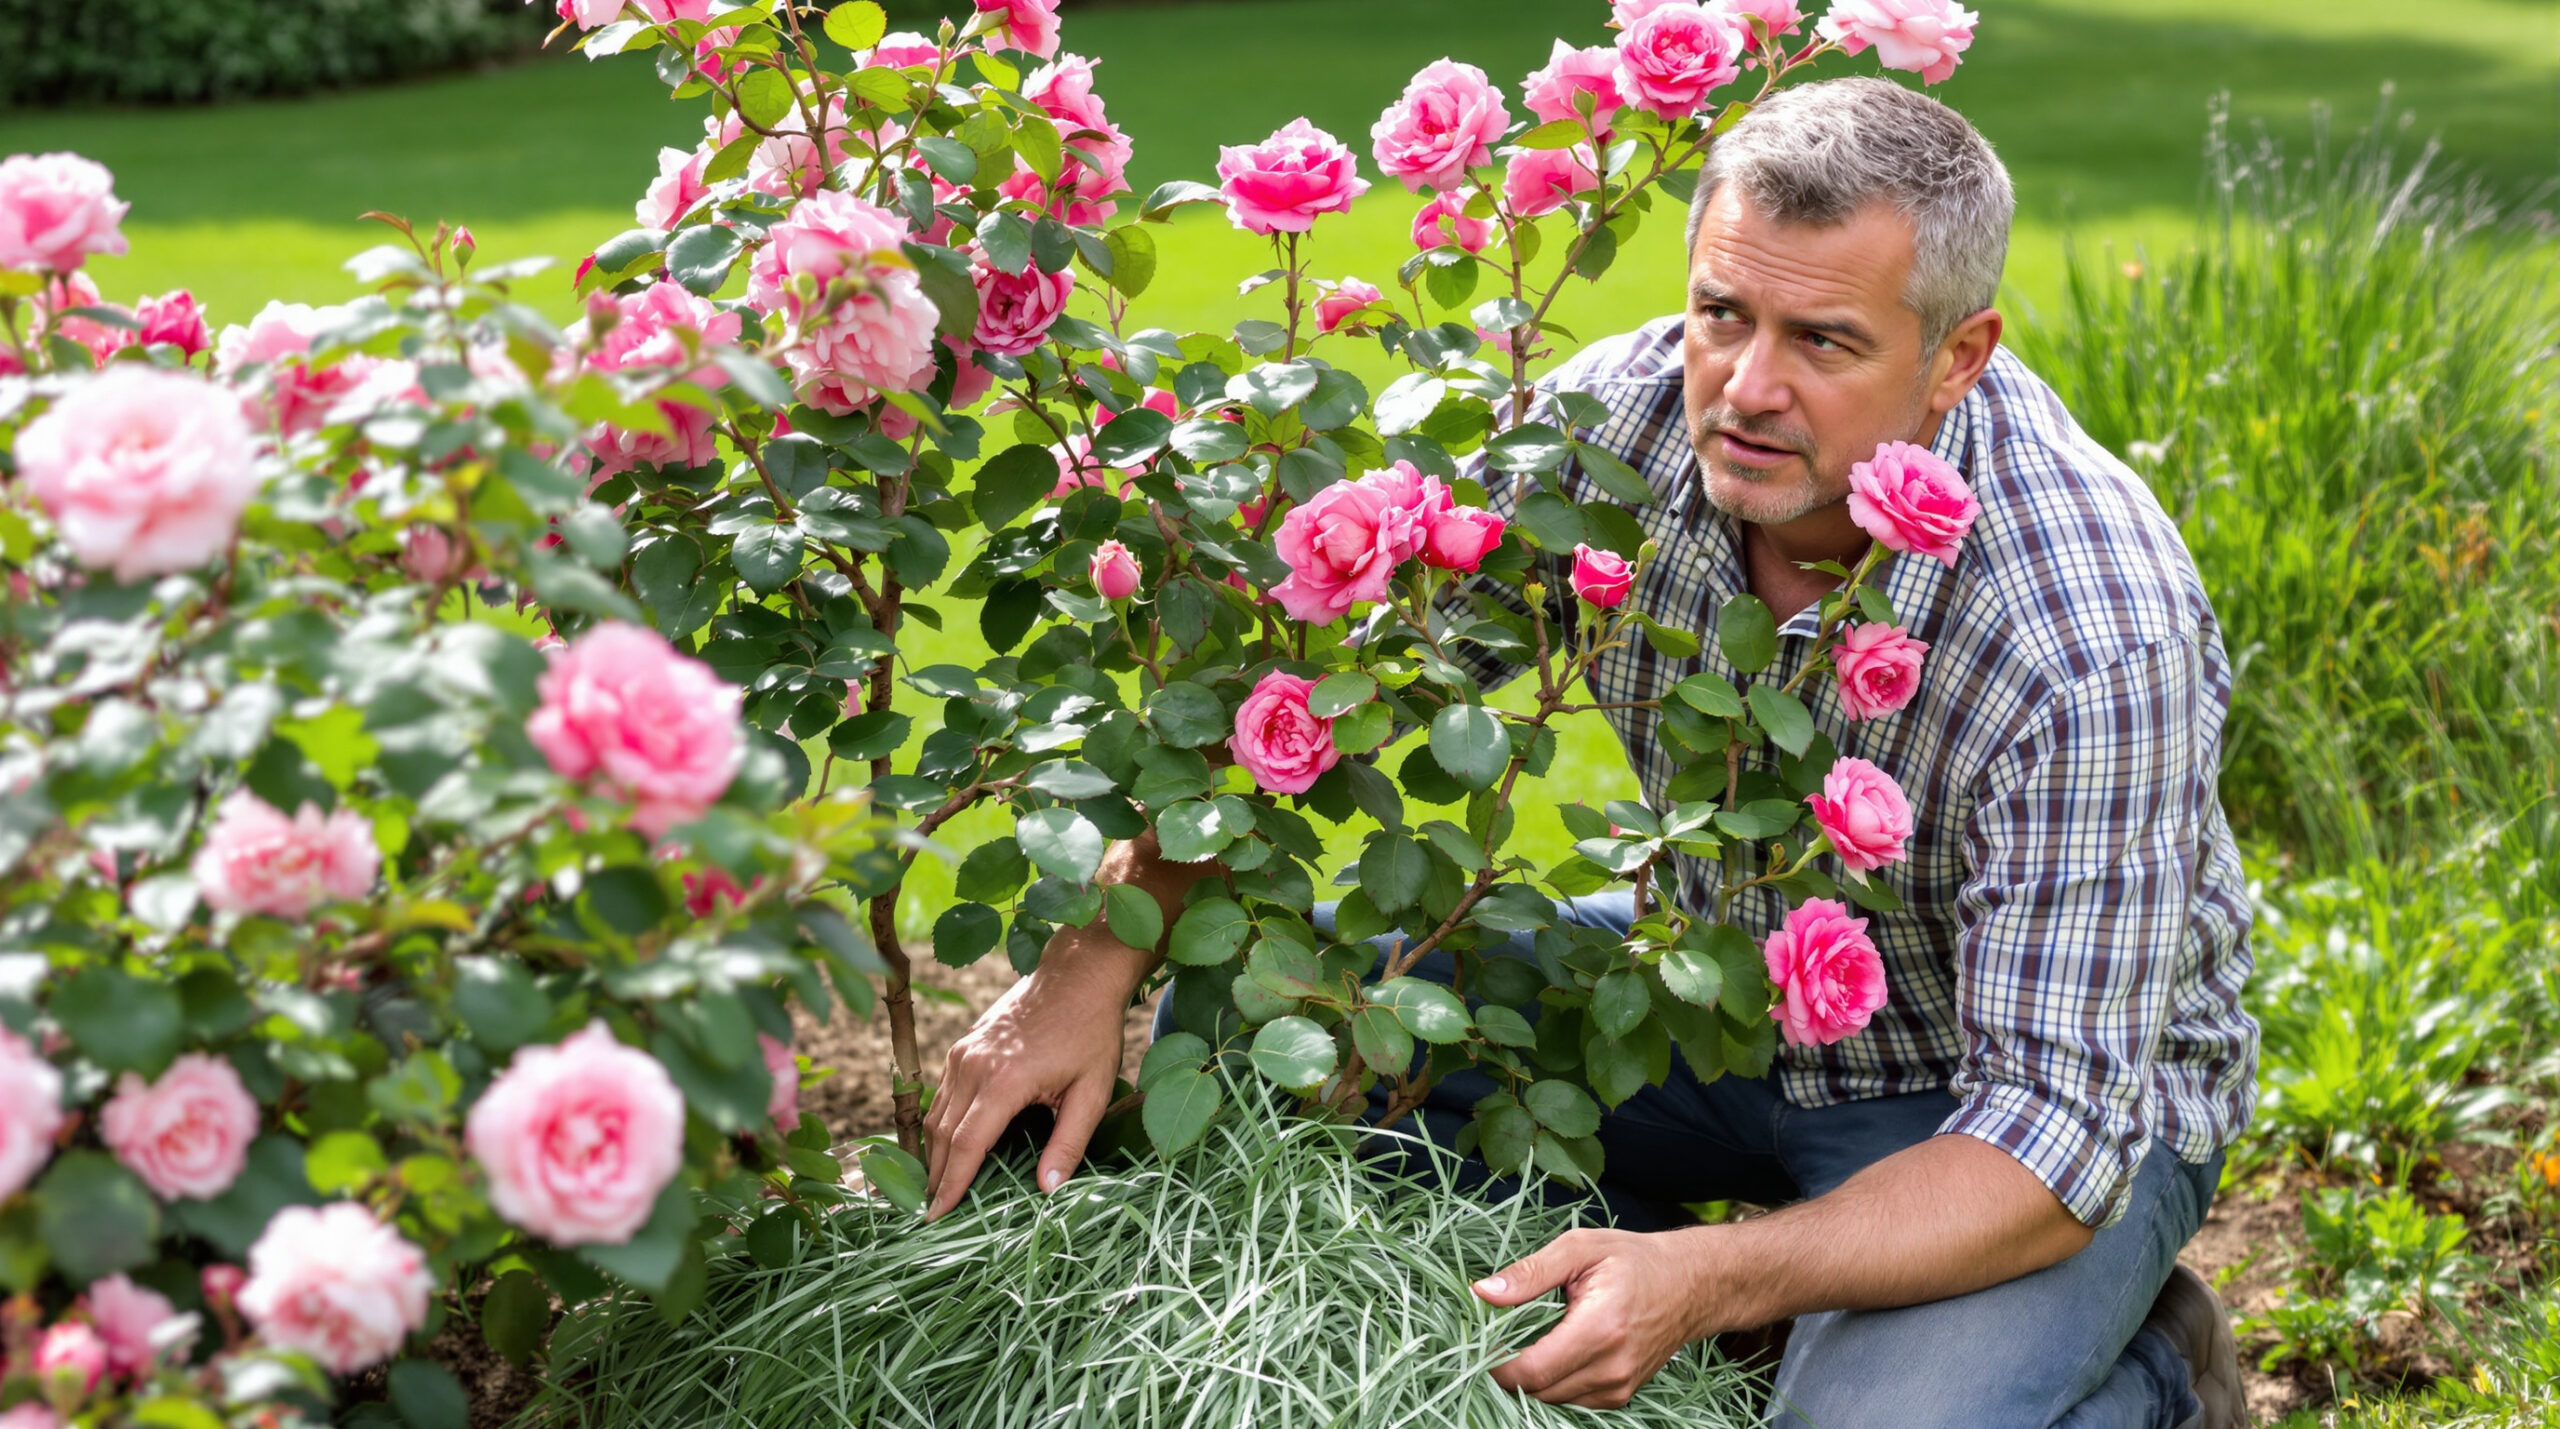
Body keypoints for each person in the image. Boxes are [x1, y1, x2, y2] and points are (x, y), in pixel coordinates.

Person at [922, 77, 2258, 1429]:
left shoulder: (2089, 631)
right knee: (1252, 1036)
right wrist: (1085, 963)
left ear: (1958, 356)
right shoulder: (1606, 436)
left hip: (1988, 1112)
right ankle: (1770, 1308)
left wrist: (1710, 1277)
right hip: (1710, 996)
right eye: (1723, 312)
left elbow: (2053, 1131)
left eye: (1824, 341)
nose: (1747, 389)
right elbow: (1329, 694)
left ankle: (2148, 1369)